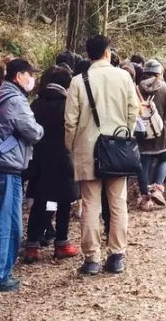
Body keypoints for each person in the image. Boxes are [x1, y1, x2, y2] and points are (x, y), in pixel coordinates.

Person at [64, 35, 139, 276]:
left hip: (87, 147)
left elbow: (70, 121)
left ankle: (92, 258)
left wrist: (72, 146)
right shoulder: (124, 76)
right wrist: (124, 135)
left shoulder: (78, 81)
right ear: (108, 52)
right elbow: (132, 110)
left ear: (88, 54)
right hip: (117, 146)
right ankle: (116, 255)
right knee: (118, 203)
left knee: (90, 204)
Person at [0, 58, 43, 292]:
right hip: (7, 166)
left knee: (2, 222)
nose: (32, 79)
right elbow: (33, 131)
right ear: (18, 76)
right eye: (29, 74)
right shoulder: (15, 100)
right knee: (5, 224)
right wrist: (41, 128)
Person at [25, 66, 80, 263]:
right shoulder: (69, 105)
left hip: (39, 161)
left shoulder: (35, 105)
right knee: (64, 204)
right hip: (64, 159)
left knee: (40, 203)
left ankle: (32, 246)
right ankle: (61, 244)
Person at [136, 60, 166, 208]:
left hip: (142, 131)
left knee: (144, 162)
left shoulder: (137, 87)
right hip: (160, 131)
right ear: (159, 72)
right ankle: (157, 188)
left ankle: (145, 194)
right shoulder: (164, 87)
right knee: (164, 158)